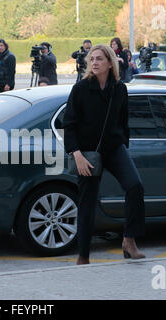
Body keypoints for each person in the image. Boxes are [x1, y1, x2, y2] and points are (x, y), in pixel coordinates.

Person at [62, 44, 145, 265]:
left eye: (99, 59)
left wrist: (122, 144)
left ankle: (129, 240)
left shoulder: (119, 89)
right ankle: (83, 256)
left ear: (110, 63)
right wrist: (77, 154)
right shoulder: (80, 89)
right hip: (87, 153)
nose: (95, 63)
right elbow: (68, 124)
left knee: (135, 186)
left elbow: (123, 120)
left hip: (114, 149)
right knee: (87, 202)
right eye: (92, 59)